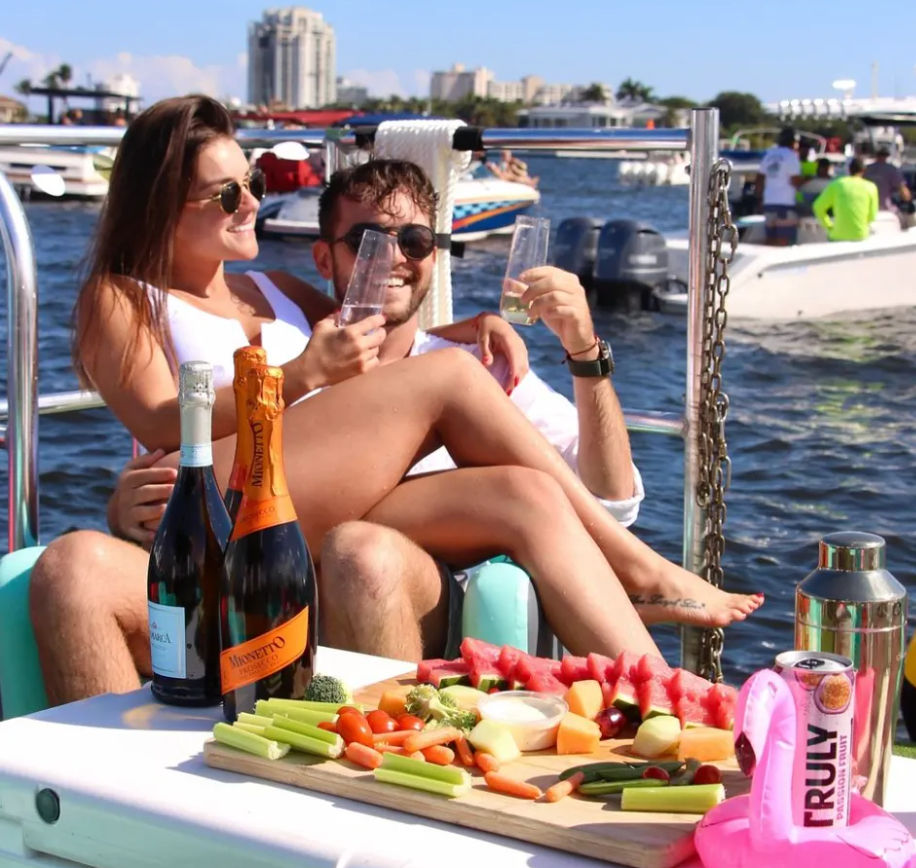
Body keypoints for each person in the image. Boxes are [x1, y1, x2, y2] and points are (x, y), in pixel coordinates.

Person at [31, 95, 761, 703]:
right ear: (160, 205)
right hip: (228, 507)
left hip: (310, 510)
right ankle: (639, 568)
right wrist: (303, 376)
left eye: (251, 180)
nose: (252, 200)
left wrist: (468, 326)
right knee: (447, 382)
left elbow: (374, 342)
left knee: (520, 493)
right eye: (228, 193)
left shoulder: (273, 290)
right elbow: (160, 419)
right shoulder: (124, 298)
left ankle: (684, 707)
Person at [313, 159, 641, 522]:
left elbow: (613, 501)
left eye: (414, 241)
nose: (393, 257)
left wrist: (585, 353)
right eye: (366, 241)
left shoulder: (484, 365)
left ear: (433, 258)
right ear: (324, 260)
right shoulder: (293, 358)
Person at [755, 127, 803, 246]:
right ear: (793, 141)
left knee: (770, 239)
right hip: (785, 204)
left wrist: (759, 199)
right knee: (783, 240)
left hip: (769, 202)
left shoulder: (769, 155)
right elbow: (795, 181)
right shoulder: (791, 156)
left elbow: (760, 178)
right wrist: (807, 180)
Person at [812, 158, 879, 242]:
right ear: (864, 170)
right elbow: (872, 216)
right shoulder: (871, 187)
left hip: (837, 235)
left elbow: (818, 207)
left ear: (849, 170)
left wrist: (829, 226)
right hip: (861, 235)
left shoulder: (837, 184)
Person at [863, 147, 912, 213]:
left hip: (867, 209)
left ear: (876, 155)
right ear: (887, 156)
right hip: (886, 210)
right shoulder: (891, 170)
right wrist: (909, 201)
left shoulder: (866, 169)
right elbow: (904, 192)